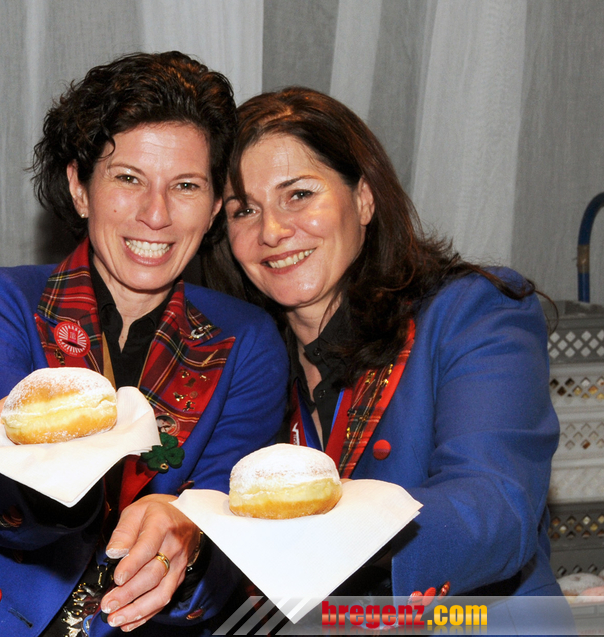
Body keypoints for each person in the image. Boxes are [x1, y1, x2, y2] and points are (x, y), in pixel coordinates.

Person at [0, 52, 287, 636]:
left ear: (213, 210)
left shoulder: (247, 339)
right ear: (80, 188)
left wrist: (191, 532)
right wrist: (34, 465)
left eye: (186, 186)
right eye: (128, 178)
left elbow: (234, 551)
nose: (156, 214)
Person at [205, 87, 563, 604]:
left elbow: (496, 509)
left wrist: (332, 536)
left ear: (364, 198)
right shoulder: (242, 357)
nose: (273, 231)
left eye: (299, 195)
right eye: (244, 210)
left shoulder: (472, 311)